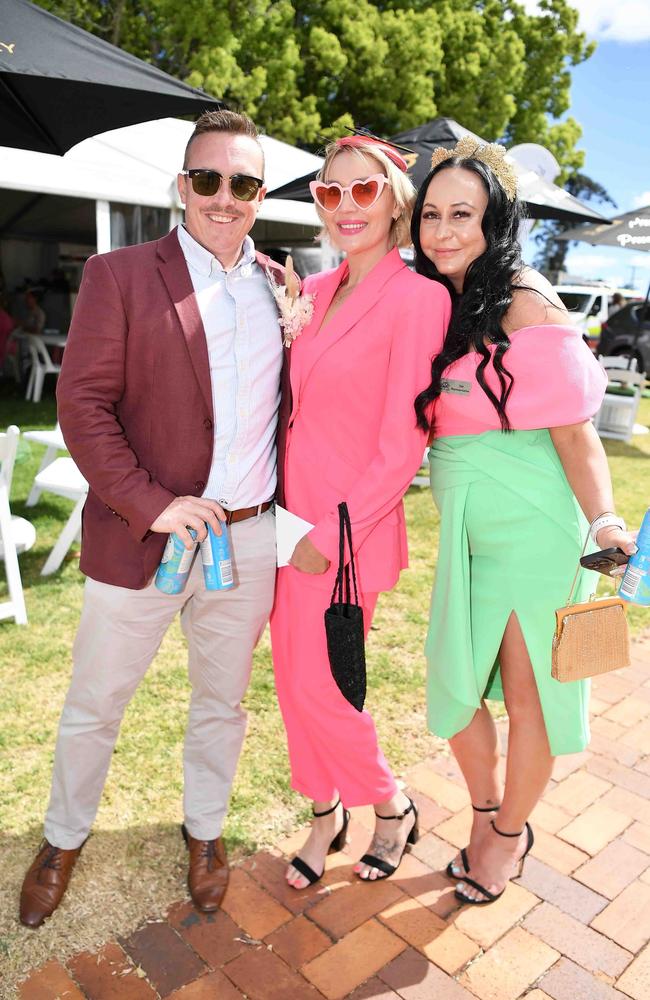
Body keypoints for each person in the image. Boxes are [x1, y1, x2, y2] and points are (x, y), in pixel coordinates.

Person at [19, 109, 286, 927]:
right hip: (146, 535)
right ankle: (63, 838)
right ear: (182, 186)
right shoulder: (119, 273)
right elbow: (84, 405)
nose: (224, 197)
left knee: (223, 703)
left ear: (259, 193)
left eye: (242, 183)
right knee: (96, 701)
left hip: (245, 537)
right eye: (207, 179)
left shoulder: (282, 284)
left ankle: (204, 832)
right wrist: (150, 503)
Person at [411, 136, 637, 906]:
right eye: (431, 214)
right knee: (455, 687)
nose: (442, 230)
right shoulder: (437, 296)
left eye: (462, 214)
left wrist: (604, 519)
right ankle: (485, 810)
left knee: (529, 689)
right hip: (468, 531)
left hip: (534, 528)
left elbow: (575, 432)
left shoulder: (528, 301)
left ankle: (506, 833)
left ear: (497, 217)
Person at [270, 134, 451, 888]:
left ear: (395, 201)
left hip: (346, 530)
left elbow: (405, 438)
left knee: (324, 686)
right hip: (282, 522)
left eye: (363, 190)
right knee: (289, 679)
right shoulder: (309, 292)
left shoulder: (421, 298)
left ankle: (390, 803)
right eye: (329, 191)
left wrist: (331, 535)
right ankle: (324, 815)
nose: (346, 205)